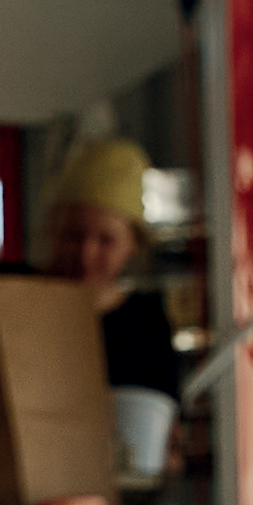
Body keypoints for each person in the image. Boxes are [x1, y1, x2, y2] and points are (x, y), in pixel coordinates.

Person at [33, 135, 180, 399]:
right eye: (74, 236)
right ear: (52, 231)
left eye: (106, 241)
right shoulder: (4, 291)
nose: (85, 254)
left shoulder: (147, 327)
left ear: (132, 245)